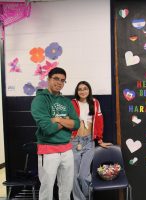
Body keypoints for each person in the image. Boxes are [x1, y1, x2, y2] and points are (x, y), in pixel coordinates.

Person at [31, 67, 80, 200]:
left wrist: (58, 119)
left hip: (67, 150)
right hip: (48, 151)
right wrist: (66, 121)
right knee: (47, 189)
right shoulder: (40, 100)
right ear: (48, 79)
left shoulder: (66, 102)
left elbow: (76, 124)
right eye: (56, 79)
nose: (59, 82)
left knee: (66, 189)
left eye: (63, 80)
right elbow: (47, 128)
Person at [71, 81, 112, 200]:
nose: (82, 91)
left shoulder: (94, 102)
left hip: (89, 142)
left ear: (89, 90)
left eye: (85, 88)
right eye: (80, 89)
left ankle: (87, 197)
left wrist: (100, 140)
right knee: (73, 176)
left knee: (84, 176)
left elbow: (99, 121)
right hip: (74, 142)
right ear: (77, 91)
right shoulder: (72, 103)